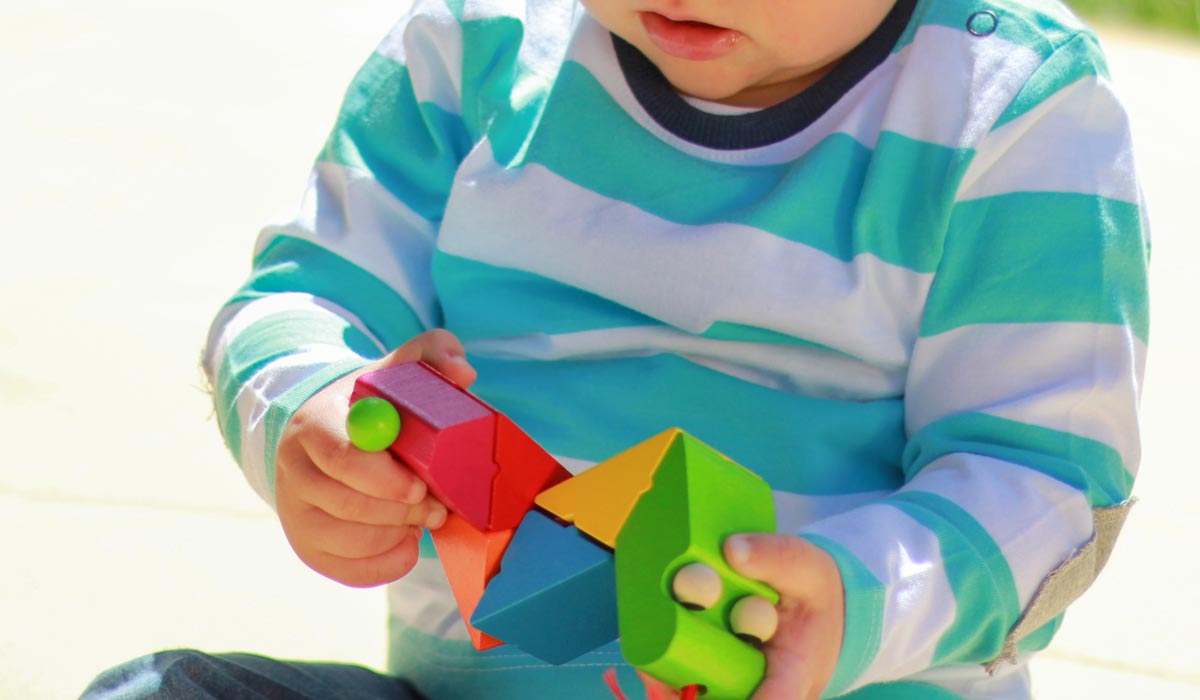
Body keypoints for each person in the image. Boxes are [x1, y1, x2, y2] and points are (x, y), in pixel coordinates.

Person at [79, 0, 1149, 698]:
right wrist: (308, 415)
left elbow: (1042, 486)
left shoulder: (1006, 108)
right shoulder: (477, 50)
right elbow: (303, 295)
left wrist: (859, 590)